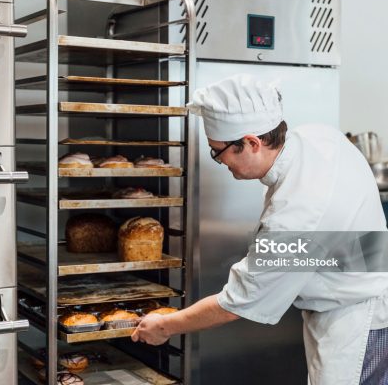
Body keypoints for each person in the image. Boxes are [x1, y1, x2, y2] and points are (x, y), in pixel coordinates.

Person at [131, 74, 388, 384]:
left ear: (252, 143)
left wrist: (165, 325)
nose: (220, 161)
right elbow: (326, 240)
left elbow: (236, 303)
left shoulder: (295, 217)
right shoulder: (322, 137)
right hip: (361, 293)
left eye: (218, 152)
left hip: (355, 326)